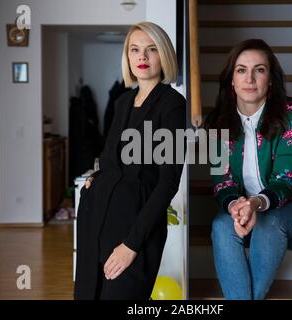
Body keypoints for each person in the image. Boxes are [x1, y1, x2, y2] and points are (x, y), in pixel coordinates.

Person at [204, 39, 292, 300]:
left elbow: (284, 182)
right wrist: (234, 207)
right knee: (221, 225)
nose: (249, 78)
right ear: (231, 80)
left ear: (271, 79)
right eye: (241, 70)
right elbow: (223, 183)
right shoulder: (217, 122)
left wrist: (254, 204)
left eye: (259, 70)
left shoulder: (290, 113)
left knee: (269, 221)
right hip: (251, 214)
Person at [74, 22, 186, 300]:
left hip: (134, 227)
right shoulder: (122, 102)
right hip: (96, 219)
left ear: (164, 55)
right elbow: (111, 158)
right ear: (127, 57)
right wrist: (96, 177)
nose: (142, 58)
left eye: (151, 50)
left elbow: (168, 183)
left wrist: (131, 245)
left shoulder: (173, 106)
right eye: (135, 50)